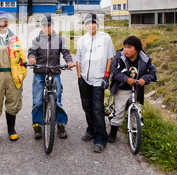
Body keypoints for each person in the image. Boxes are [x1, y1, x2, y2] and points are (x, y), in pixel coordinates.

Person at [28, 15, 75, 139]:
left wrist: (69, 61)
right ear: (41, 26)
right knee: (37, 101)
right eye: (44, 25)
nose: (46, 28)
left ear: (52, 26)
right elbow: (31, 51)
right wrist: (32, 58)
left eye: (49, 25)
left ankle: (60, 124)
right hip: (39, 72)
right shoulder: (37, 39)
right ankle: (37, 125)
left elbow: (65, 52)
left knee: (57, 100)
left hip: (54, 72)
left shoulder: (59, 39)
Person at [0, 11, 27, 145]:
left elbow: (22, 59)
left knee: (13, 102)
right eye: (0, 21)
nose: (3, 24)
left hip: (12, 75)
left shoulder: (15, 39)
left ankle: (11, 130)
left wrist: (21, 74)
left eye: (6, 21)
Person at [76, 13, 115, 153]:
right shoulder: (81, 40)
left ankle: (100, 138)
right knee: (86, 106)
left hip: (99, 78)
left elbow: (110, 57)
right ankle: (91, 130)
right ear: (85, 25)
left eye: (93, 23)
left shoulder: (105, 38)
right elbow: (78, 59)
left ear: (97, 24)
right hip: (84, 78)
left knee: (98, 108)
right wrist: (79, 76)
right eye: (87, 23)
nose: (90, 25)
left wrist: (106, 75)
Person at [108, 35, 158, 143]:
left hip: (137, 89)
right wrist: (126, 79)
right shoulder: (119, 57)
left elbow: (153, 74)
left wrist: (144, 78)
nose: (126, 50)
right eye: (125, 47)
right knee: (119, 110)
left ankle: (135, 131)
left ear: (137, 49)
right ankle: (113, 132)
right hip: (122, 88)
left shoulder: (145, 59)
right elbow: (114, 72)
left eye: (129, 47)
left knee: (137, 110)